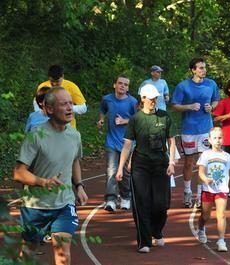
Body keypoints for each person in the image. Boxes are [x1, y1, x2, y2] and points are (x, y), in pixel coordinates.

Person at [14, 87, 88, 265]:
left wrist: (79, 186)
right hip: (36, 205)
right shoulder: (36, 135)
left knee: (63, 254)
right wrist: (42, 182)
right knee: (28, 253)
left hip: (64, 202)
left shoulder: (74, 135)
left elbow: (74, 161)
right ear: (49, 109)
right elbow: (18, 172)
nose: (70, 107)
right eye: (64, 104)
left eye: (71, 103)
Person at [115, 84, 177, 253]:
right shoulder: (135, 119)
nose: (153, 101)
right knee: (142, 202)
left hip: (161, 165)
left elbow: (171, 141)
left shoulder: (165, 116)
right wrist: (120, 167)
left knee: (161, 204)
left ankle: (156, 229)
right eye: (150, 98)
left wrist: (171, 162)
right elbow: (127, 144)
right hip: (140, 165)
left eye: (155, 98)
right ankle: (144, 240)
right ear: (142, 98)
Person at [171, 57, 220, 208]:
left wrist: (211, 108)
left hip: (205, 129)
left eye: (204, 67)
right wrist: (189, 107)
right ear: (193, 70)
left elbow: (216, 100)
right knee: (189, 163)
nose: (203, 70)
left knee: (203, 163)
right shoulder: (183, 86)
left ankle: (200, 195)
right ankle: (187, 192)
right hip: (189, 130)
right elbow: (174, 106)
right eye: (200, 68)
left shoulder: (211, 84)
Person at [97, 75, 138, 212]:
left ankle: (126, 197)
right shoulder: (107, 99)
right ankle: (110, 200)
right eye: (120, 83)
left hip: (127, 142)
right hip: (111, 141)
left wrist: (124, 121)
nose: (123, 86)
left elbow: (138, 119)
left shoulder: (132, 102)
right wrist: (101, 120)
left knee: (125, 172)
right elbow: (102, 110)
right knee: (111, 171)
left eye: (126, 85)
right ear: (114, 85)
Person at [196, 127, 230, 252]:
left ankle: (221, 240)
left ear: (223, 139)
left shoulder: (227, 156)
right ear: (210, 140)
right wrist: (205, 179)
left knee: (221, 215)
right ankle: (201, 228)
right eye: (215, 138)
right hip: (208, 189)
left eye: (220, 138)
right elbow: (200, 172)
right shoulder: (206, 155)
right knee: (205, 215)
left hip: (222, 190)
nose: (218, 140)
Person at [36, 65, 87, 129]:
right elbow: (37, 105)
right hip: (46, 127)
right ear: (49, 77)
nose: (54, 84)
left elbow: (83, 108)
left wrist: (65, 108)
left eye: (57, 81)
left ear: (62, 76)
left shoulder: (72, 87)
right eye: (52, 81)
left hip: (68, 128)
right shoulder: (42, 87)